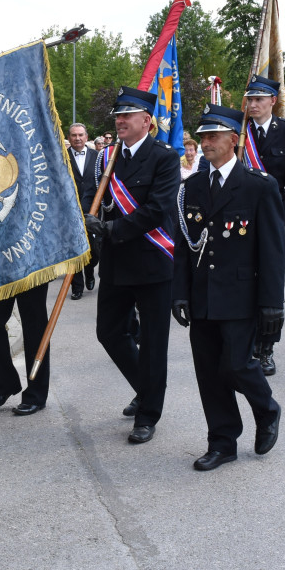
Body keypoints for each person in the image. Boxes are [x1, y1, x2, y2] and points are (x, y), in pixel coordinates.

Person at [172, 104, 284, 471]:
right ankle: (222, 442)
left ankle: (266, 409)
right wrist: (180, 292)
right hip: (203, 295)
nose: (205, 143)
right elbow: (183, 247)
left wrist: (272, 304)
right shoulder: (192, 188)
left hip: (240, 296)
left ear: (233, 140)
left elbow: (271, 250)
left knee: (236, 365)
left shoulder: (257, 186)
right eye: (202, 136)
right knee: (208, 372)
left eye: (213, 136)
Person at [83, 87, 181, 444]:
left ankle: (148, 413)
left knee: (154, 342)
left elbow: (157, 210)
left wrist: (111, 228)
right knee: (109, 331)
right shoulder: (108, 157)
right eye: (117, 116)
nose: (120, 121)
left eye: (127, 116)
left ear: (147, 121)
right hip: (117, 262)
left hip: (153, 261)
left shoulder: (164, 158)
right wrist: (88, 220)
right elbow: (91, 196)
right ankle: (145, 385)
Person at [243, 74, 285, 376]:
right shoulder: (238, 131)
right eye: (249, 99)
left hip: (275, 220)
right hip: (242, 220)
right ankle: (246, 342)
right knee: (243, 282)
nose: (252, 104)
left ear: (272, 102)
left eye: (258, 99)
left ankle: (267, 348)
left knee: (271, 285)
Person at [0, 283, 50, 415]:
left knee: (34, 326)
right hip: (0, 268)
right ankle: (6, 384)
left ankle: (36, 395)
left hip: (31, 267)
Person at [66, 122, 99, 299]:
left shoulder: (97, 156)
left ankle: (90, 269)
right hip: (69, 212)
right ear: (69, 137)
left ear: (86, 137)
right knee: (74, 250)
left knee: (94, 250)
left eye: (80, 135)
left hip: (92, 211)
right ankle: (76, 287)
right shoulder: (61, 157)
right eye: (74, 135)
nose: (77, 138)